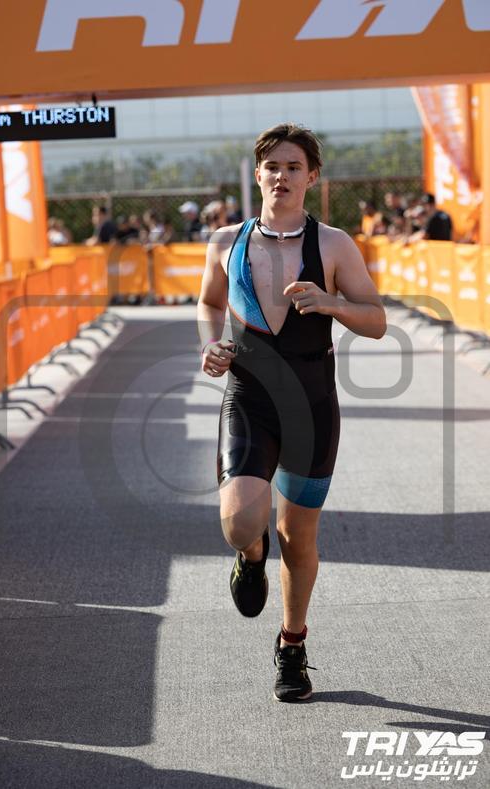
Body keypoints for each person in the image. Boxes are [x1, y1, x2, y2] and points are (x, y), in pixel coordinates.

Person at [197, 123, 386, 703]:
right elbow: (208, 302)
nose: (282, 176)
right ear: (258, 174)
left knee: (298, 537)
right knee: (240, 524)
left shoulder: (333, 245)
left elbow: (376, 320)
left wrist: (331, 302)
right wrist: (210, 344)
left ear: (312, 177)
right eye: (273, 166)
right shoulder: (225, 241)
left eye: (294, 167)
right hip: (249, 398)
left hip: (311, 407)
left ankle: (292, 645)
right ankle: (251, 556)